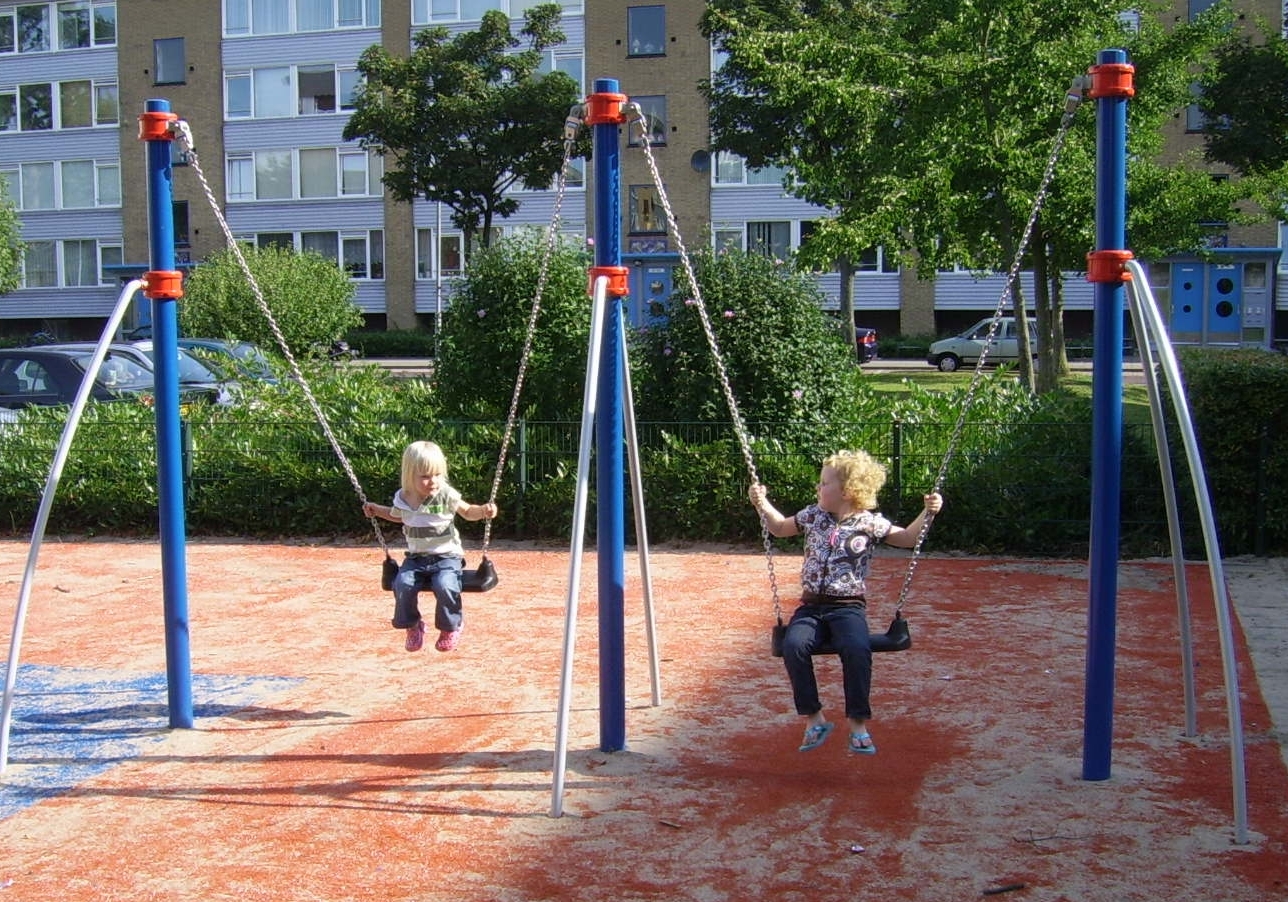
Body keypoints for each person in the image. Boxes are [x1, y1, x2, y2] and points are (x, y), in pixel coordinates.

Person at [748, 450, 943, 755]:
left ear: (847, 492)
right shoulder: (813, 515)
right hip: (810, 606)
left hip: (847, 606)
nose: (818, 487)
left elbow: (906, 537)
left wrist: (928, 513)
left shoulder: (868, 523)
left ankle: (858, 724)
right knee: (793, 646)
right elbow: (779, 528)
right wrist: (762, 504)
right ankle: (814, 718)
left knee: (856, 648)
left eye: (824, 483)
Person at [363, 440, 497, 653]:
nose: (432, 481)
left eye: (437, 474)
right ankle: (413, 625)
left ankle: (451, 627)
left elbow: (468, 511)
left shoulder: (445, 494)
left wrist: (483, 511)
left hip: (447, 557)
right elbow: (396, 516)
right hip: (416, 558)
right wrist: (376, 510)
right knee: (402, 584)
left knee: (445, 585)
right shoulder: (403, 498)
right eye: (425, 476)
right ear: (410, 475)